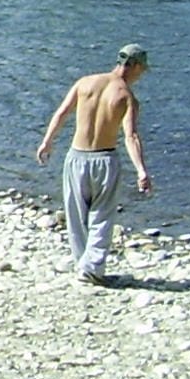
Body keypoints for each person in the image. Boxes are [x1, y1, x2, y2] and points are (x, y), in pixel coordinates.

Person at [36, 43, 153, 285]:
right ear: (136, 66)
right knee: (102, 215)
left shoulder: (85, 83)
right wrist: (141, 170)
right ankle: (92, 269)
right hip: (105, 160)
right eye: (142, 70)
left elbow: (61, 113)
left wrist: (47, 142)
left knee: (76, 215)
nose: (141, 76)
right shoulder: (127, 97)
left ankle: (84, 265)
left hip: (76, 157)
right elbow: (131, 136)